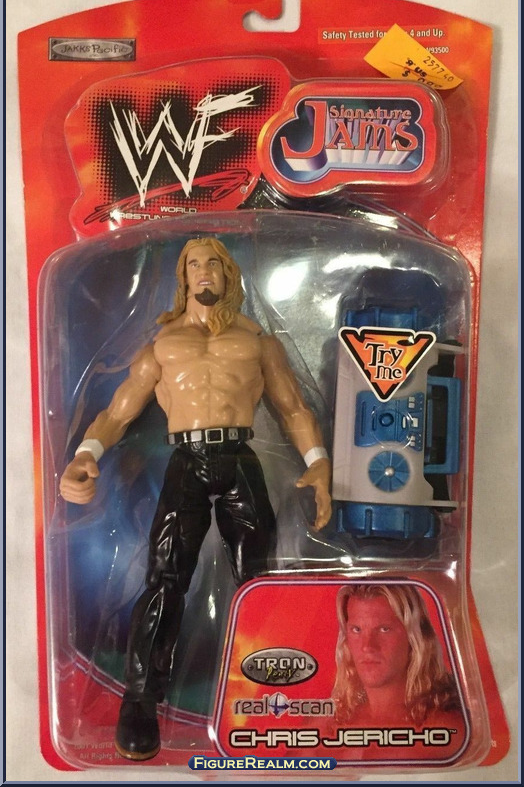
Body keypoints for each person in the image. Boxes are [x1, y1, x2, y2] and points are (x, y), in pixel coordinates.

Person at [59, 236, 332, 761]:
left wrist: (318, 461)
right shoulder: (164, 346)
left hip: (238, 459)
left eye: (213, 263)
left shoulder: (258, 343)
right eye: (193, 265)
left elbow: (294, 408)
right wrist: (85, 455)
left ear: (228, 274)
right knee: (165, 578)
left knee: (259, 579)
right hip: (185, 461)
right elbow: (118, 412)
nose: (203, 271)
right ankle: (141, 700)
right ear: (182, 278)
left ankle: (275, 690)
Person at [331, 582, 464, 728]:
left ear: (415, 637)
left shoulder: (448, 727)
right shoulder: (335, 724)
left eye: (384, 629)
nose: (367, 646)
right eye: (356, 630)